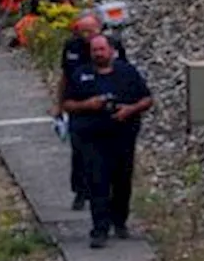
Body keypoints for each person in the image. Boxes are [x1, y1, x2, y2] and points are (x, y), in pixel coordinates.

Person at [61, 34, 154, 249]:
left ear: (111, 50)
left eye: (102, 49)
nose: (98, 54)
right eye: (95, 50)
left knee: (122, 182)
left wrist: (129, 110)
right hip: (92, 139)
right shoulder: (81, 74)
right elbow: (68, 103)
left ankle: (120, 221)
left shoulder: (127, 72)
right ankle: (99, 229)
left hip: (122, 136)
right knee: (97, 183)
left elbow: (147, 99)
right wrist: (89, 105)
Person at [51, 12, 127, 211]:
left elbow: (123, 74)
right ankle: (80, 191)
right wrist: (59, 104)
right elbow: (65, 77)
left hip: (106, 105)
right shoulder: (72, 47)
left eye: (90, 31)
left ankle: (107, 192)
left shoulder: (111, 46)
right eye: (81, 31)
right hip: (79, 104)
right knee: (79, 150)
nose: (86, 35)